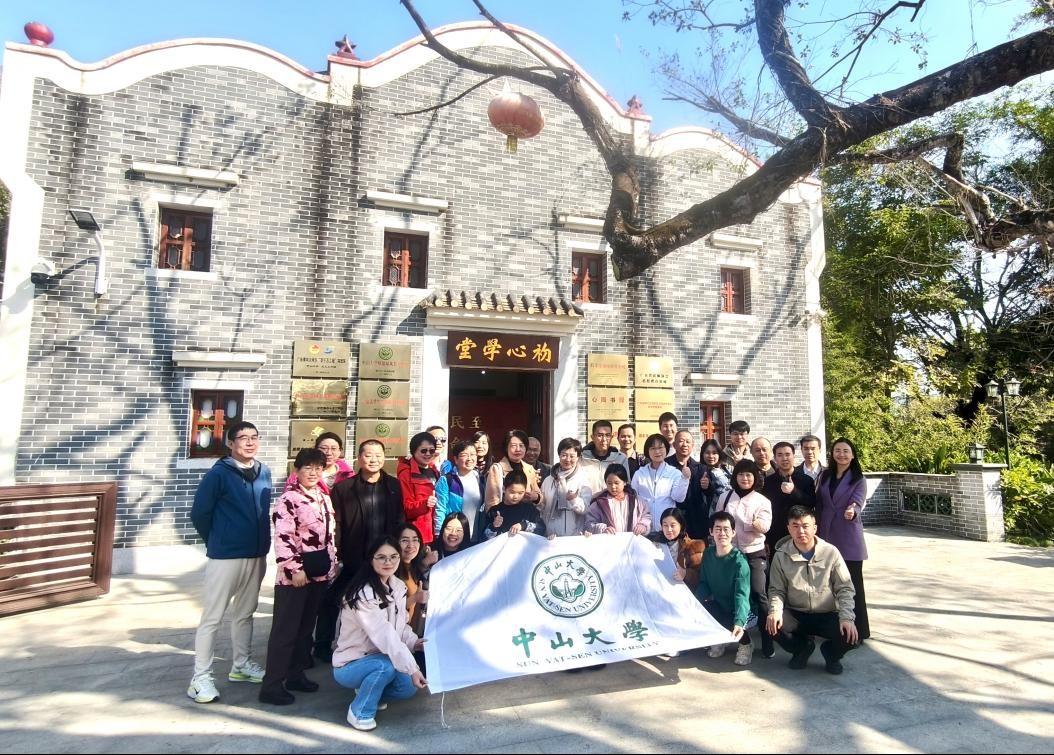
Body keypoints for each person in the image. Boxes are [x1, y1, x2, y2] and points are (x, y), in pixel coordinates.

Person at [187, 421, 272, 704]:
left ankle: (241, 665)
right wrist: (219, 539)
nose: (249, 442)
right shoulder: (218, 474)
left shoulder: (264, 471)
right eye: (242, 438)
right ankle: (200, 677)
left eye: (254, 437)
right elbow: (200, 513)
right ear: (230, 443)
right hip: (226, 555)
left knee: (245, 613)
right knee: (213, 617)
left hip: (256, 553)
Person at [259, 448, 336, 705]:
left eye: (318, 468)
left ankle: (295, 675)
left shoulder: (323, 497)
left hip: (319, 573)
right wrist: (294, 569)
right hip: (294, 577)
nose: (313, 473)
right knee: (286, 631)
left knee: (304, 629)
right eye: (308, 468)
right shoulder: (288, 499)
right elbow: (284, 537)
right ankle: (272, 685)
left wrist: (332, 565)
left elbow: (329, 536)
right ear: (297, 470)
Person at [315, 440, 403, 663]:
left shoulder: (393, 486)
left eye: (378, 455)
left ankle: (388, 644)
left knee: (386, 602)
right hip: (353, 558)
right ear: (359, 457)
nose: (374, 460)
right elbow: (337, 525)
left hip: (383, 559)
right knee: (333, 600)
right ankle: (323, 645)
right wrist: (337, 556)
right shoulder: (344, 488)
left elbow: (399, 520)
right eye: (368, 455)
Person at [332, 536, 427, 731]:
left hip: (380, 658)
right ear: (371, 559)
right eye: (381, 557)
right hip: (350, 664)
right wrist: (413, 668)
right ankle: (359, 712)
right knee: (385, 667)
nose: (388, 562)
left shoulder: (397, 586)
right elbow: (385, 635)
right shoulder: (363, 595)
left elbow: (400, 627)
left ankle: (370, 692)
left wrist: (415, 642)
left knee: (407, 686)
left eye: (393, 557)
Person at [767, 505, 859, 674]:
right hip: (797, 614)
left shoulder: (831, 552)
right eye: (795, 526)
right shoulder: (781, 555)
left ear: (815, 527)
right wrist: (775, 611)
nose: (801, 531)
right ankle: (802, 648)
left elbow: (845, 588)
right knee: (772, 624)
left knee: (850, 635)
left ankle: (831, 654)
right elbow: (776, 590)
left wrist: (847, 617)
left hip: (826, 613)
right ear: (789, 529)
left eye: (805, 526)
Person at [716, 459, 774, 658]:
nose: (745, 478)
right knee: (728, 594)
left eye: (749, 474)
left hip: (754, 552)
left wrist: (752, 523)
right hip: (730, 553)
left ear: (755, 477)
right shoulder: (725, 497)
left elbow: (764, 527)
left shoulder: (762, 501)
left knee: (759, 594)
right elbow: (718, 522)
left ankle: (768, 641)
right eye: (741, 474)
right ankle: (735, 639)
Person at [815, 437, 870, 641]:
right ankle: (834, 629)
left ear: (853, 455)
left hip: (848, 535)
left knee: (852, 584)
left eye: (846, 451)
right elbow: (819, 502)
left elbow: (857, 502)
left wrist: (852, 511)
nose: (841, 454)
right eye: (838, 450)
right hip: (826, 533)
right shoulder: (825, 475)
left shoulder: (858, 479)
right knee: (828, 585)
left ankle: (860, 631)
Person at [697, 511, 755, 666]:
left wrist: (739, 621)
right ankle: (722, 639)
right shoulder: (708, 554)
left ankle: (746, 644)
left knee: (734, 620)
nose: (722, 533)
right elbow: (704, 584)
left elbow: (742, 595)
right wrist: (694, 604)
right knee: (703, 610)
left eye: (726, 529)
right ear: (711, 532)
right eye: (717, 529)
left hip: (744, 609)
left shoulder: (739, 561)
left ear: (733, 532)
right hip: (721, 604)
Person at [763, 441, 818, 557]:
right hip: (776, 533)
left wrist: (794, 491)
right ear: (775, 458)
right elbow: (765, 511)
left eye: (788, 454)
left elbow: (812, 503)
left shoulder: (806, 480)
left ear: (793, 456)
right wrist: (766, 539)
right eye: (780, 455)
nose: (784, 458)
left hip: (800, 533)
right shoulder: (768, 482)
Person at [631, 434, 690, 532]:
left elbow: (679, 498)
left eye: (660, 447)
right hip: (643, 528)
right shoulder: (639, 474)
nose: (657, 451)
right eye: (653, 448)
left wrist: (684, 479)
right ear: (647, 451)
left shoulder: (674, 473)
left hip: (667, 529)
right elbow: (633, 500)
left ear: (666, 449)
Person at [539, 438, 597, 537]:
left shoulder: (583, 480)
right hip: (550, 537)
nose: (568, 459)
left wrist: (574, 500)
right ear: (559, 455)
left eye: (572, 456)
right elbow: (541, 508)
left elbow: (585, 509)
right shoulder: (549, 480)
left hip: (573, 537)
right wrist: (537, 499)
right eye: (564, 455)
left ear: (578, 457)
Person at [433, 440, 484, 543]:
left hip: (476, 538)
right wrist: (439, 534)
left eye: (472, 454)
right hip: (454, 538)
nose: (469, 458)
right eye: (464, 455)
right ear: (456, 459)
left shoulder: (480, 478)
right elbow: (440, 509)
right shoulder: (447, 480)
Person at [398, 432, 441, 546]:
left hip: (437, 531)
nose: (428, 454)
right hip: (418, 535)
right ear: (414, 451)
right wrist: (424, 504)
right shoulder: (406, 474)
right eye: (423, 451)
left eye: (431, 450)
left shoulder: (435, 471)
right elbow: (405, 508)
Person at [648, 507, 705, 590]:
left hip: (679, 591)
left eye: (673, 525)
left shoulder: (691, 548)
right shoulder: (655, 543)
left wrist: (685, 574)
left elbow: (699, 577)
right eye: (665, 525)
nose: (669, 529)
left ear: (681, 525)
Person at [586, 464, 651, 535]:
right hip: (609, 541)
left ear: (625, 482)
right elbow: (589, 523)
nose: (613, 487)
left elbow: (646, 516)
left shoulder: (637, 501)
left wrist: (643, 525)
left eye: (616, 483)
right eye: (609, 483)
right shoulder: (600, 503)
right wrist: (603, 528)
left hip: (632, 540)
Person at [484, 430, 541, 510]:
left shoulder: (529, 469)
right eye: (513, 446)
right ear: (506, 448)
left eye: (521, 446)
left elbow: (540, 496)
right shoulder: (497, 469)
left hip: (525, 515)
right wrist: (496, 515)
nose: (518, 449)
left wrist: (536, 497)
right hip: (504, 515)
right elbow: (492, 500)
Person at [394, 523, 433, 637]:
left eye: (415, 540)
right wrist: (415, 598)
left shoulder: (412, 566)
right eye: (405, 540)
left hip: (414, 635)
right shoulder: (391, 571)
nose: (411, 545)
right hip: (399, 637)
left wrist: (425, 563)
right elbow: (390, 609)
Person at [666, 430, 706, 539]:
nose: (685, 444)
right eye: (681, 441)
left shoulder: (700, 468)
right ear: (674, 444)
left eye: (688, 442)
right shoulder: (666, 465)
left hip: (695, 520)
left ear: (692, 445)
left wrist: (707, 487)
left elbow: (707, 493)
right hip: (672, 517)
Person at [484, 469, 546, 538]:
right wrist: (493, 526)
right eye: (512, 492)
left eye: (520, 493)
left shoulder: (529, 509)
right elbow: (483, 539)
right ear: (504, 489)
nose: (516, 496)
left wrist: (523, 525)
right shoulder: (494, 511)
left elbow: (541, 528)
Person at [285, 432, 354, 493]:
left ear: (340, 451)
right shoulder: (299, 474)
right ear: (316, 449)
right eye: (324, 448)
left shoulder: (348, 474)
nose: (329, 453)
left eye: (333, 448)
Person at [697, 438, 733, 526]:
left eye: (714, 453)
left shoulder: (726, 470)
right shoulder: (698, 471)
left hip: (726, 516)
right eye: (707, 453)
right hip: (704, 518)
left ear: (719, 454)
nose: (711, 456)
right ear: (702, 454)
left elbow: (729, 491)